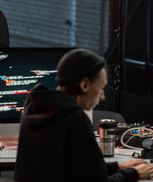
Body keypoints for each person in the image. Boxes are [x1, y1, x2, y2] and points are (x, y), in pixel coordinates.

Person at [15, 48, 153, 182]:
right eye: (101, 88)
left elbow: (70, 169)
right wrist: (134, 173)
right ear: (85, 85)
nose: (103, 97)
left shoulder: (33, 106)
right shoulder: (75, 119)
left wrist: (117, 167)